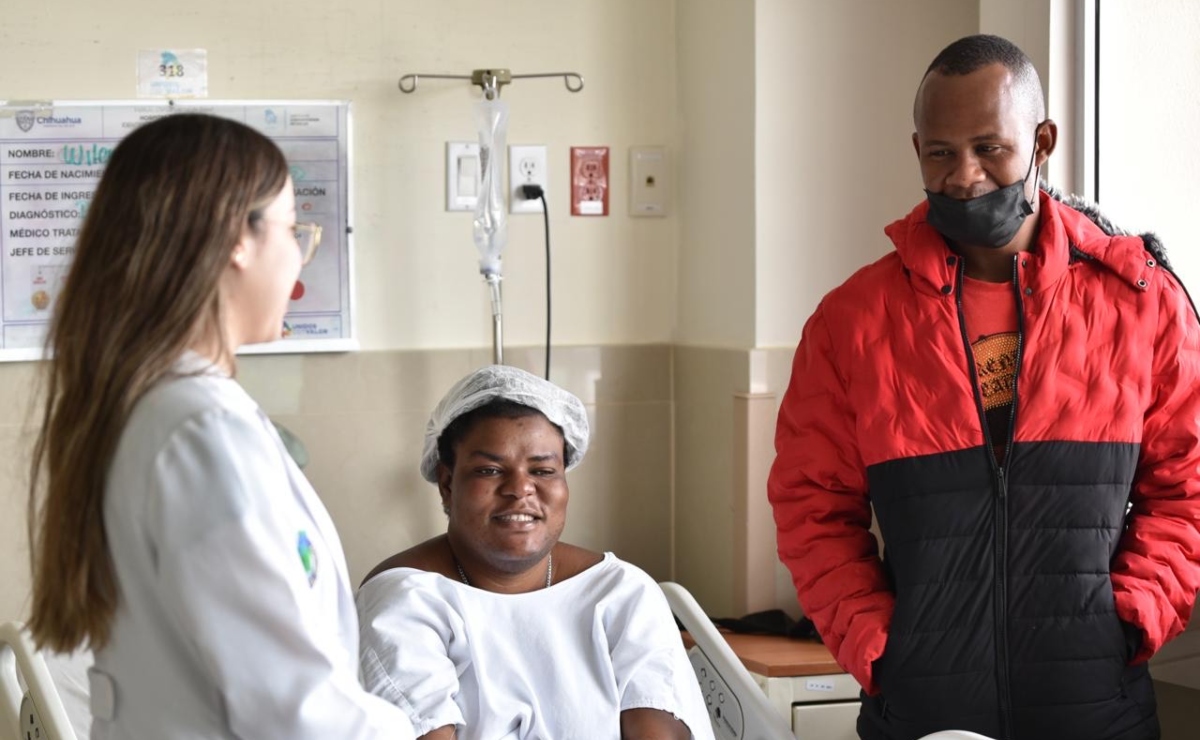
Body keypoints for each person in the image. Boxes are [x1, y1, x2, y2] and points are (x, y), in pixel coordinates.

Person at [767, 34, 1200, 740]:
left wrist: (1131, 619)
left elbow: (1186, 487)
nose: (964, 176)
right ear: (917, 152)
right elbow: (810, 506)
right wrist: (878, 647)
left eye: (989, 148)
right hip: (920, 713)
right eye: (940, 152)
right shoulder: (851, 322)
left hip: (1099, 710)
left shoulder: (1143, 301)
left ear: (1042, 141)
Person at [26, 113, 415, 739]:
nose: (299, 252)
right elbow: (292, 708)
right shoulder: (200, 431)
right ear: (239, 236)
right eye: (292, 228)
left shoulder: (151, 410)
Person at [357, 364, 714, 740]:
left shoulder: (622, 594)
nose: (520, 489)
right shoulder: (406, 599)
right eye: (490, 470)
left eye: (543, 471)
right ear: (447, 483)